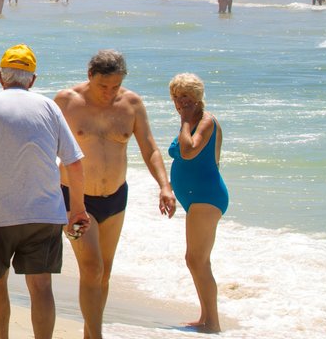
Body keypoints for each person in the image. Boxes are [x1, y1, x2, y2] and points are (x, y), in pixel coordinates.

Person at [0, 44, 89, 339]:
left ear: (0, 77)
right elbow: (75, 164)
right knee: (41, 286)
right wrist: (77, 209)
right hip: (44, 214)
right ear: (32, 80)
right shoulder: (50, 108)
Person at [54, 50, 176, 339]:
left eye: (115, 86)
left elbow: (150, 148)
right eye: (103, 86)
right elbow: (44, 146)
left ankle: (89, 332)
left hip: (116, 197)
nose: (109, 93)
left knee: (104, 273)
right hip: (75, 198)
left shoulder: (131, 104)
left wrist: (164, 186)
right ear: (90, 76)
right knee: (92, 267)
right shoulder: (67, 102)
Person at [168, 73, 227, 334]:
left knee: (197, 259)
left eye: (186, 97)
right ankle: (205, 317)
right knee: (196, 260)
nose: (181, 102)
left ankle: (212, 323)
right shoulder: (192, 120)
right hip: (197, 197)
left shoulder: (205, 121)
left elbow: (188, 151)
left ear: (197, 98)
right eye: (176, 97)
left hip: (206, 196)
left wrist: (183, 123)